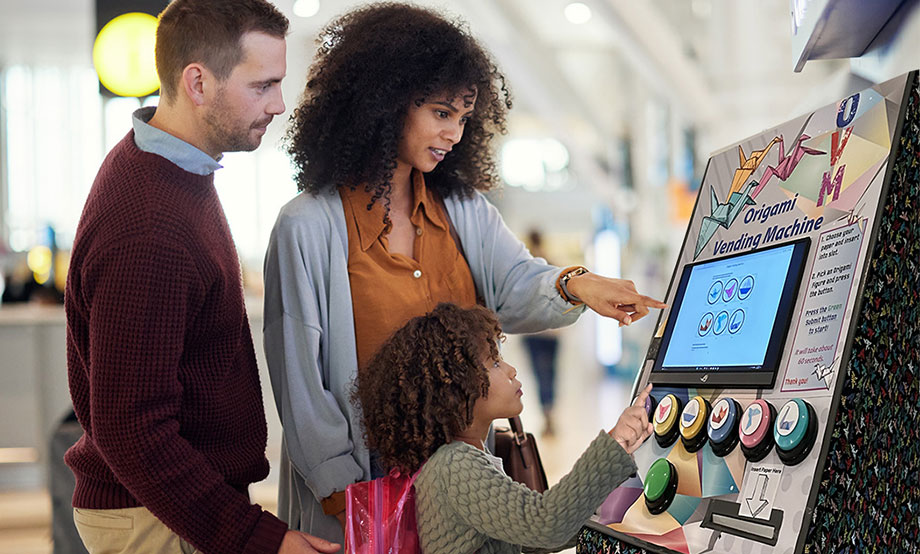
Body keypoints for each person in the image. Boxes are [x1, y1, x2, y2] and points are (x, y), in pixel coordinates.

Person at [262, 3, 665, 543]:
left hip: (459, 487)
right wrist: (355, 505)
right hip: (362, 498)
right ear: (386, 103)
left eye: (465, 117)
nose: (454, 132)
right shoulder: (307, 227)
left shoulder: (463, 210)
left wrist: (576, 283)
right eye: (440, 112)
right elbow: (302, 390)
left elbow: (515, 285)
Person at [64, 1, 338, 553]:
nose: (279, 105)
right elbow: (132, 431)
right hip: (151, 516)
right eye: (263, 85)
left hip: (164, 505)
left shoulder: (171, 171)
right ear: (197, 82)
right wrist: (259, 539)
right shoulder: (150, 224)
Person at [354, 303, 653, 553]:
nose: (510, 370)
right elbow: (543, 523)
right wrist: (613, 443)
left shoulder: (466, 455)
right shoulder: (455, 465)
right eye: (494, 363)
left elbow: (523, 532)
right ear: (455, 390)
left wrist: (604, 514)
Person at [522, 229, 562, 435]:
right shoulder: (551, 264)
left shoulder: (526, 266)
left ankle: (547, 416)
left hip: (532, 332)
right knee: (550, 374)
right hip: (551, 333)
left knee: (540, 374)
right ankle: (550, 414)